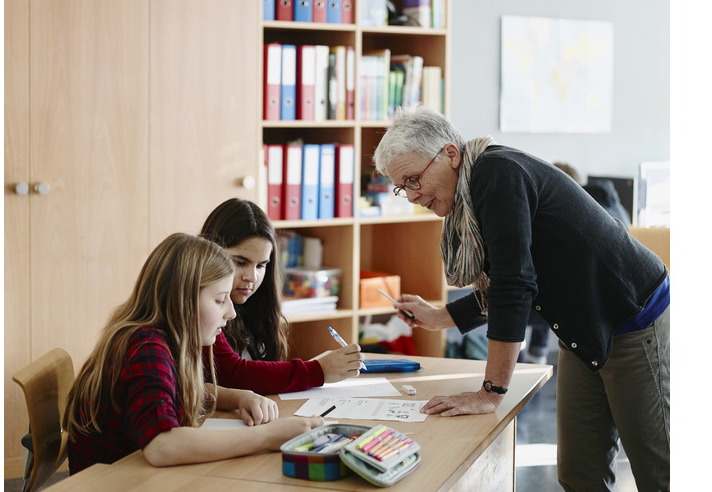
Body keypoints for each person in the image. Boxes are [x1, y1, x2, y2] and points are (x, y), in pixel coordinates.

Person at [372, 105, 669, 492]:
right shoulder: (473, 191)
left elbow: (515, 284)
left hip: (632, 317)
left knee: (657, 474)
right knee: (580, 475)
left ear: (450, 153)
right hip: (582, 326)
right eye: (402, 187)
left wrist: (490, 392)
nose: (412, 196)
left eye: (413, 180)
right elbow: (505, 281)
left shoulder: (497, 174)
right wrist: (438, 316)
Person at [63, 233, 323, 474]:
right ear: (183, 300)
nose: (231, 313)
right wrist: (269, 436)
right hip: (116, 481)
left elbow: (172, 390)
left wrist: (238, 397)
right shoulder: (146, 347)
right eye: (220, 299)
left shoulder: (155, 337)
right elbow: (162, 444)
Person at [199, 198, 364, 394]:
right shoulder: (201, 304)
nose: (252, 277)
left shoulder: (257, 305)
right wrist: (320, 370)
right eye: (240, 262)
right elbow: (231, 373)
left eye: (261, 265)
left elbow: (266, 368)